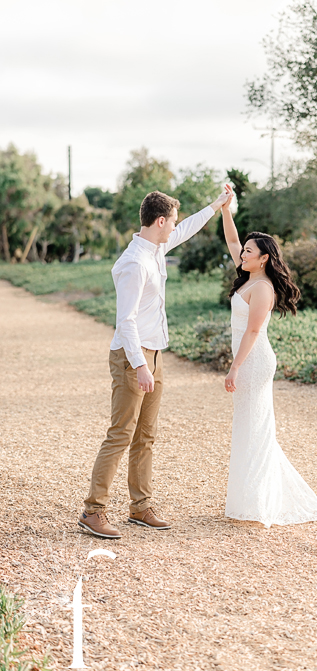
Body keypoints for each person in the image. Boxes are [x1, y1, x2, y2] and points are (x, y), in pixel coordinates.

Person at [79, 188, 230, 539]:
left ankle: (140, 507)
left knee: (145, 436)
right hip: (133, 357)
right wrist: (140, 365)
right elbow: (126, 321)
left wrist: (216, 205)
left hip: (155, 354)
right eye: (172, 221)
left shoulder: (157, 247)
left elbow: (187, 229)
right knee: (121, 434)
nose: (175, 226)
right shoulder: (135, 263)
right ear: (160, 221)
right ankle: (93, 511)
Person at [220, 185, 317, 527]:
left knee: (255, 429)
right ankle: (249, 500)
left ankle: (258, 504)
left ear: (264, 258)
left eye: (249, 251)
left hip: (253, 362)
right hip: (247, 360)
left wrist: (234, 368)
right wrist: (226, 209)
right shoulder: (248, 277)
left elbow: (253, 332)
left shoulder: (263, 288)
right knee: (248, 428)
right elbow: (232, 241)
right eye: (244, 251)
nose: (242, 254)